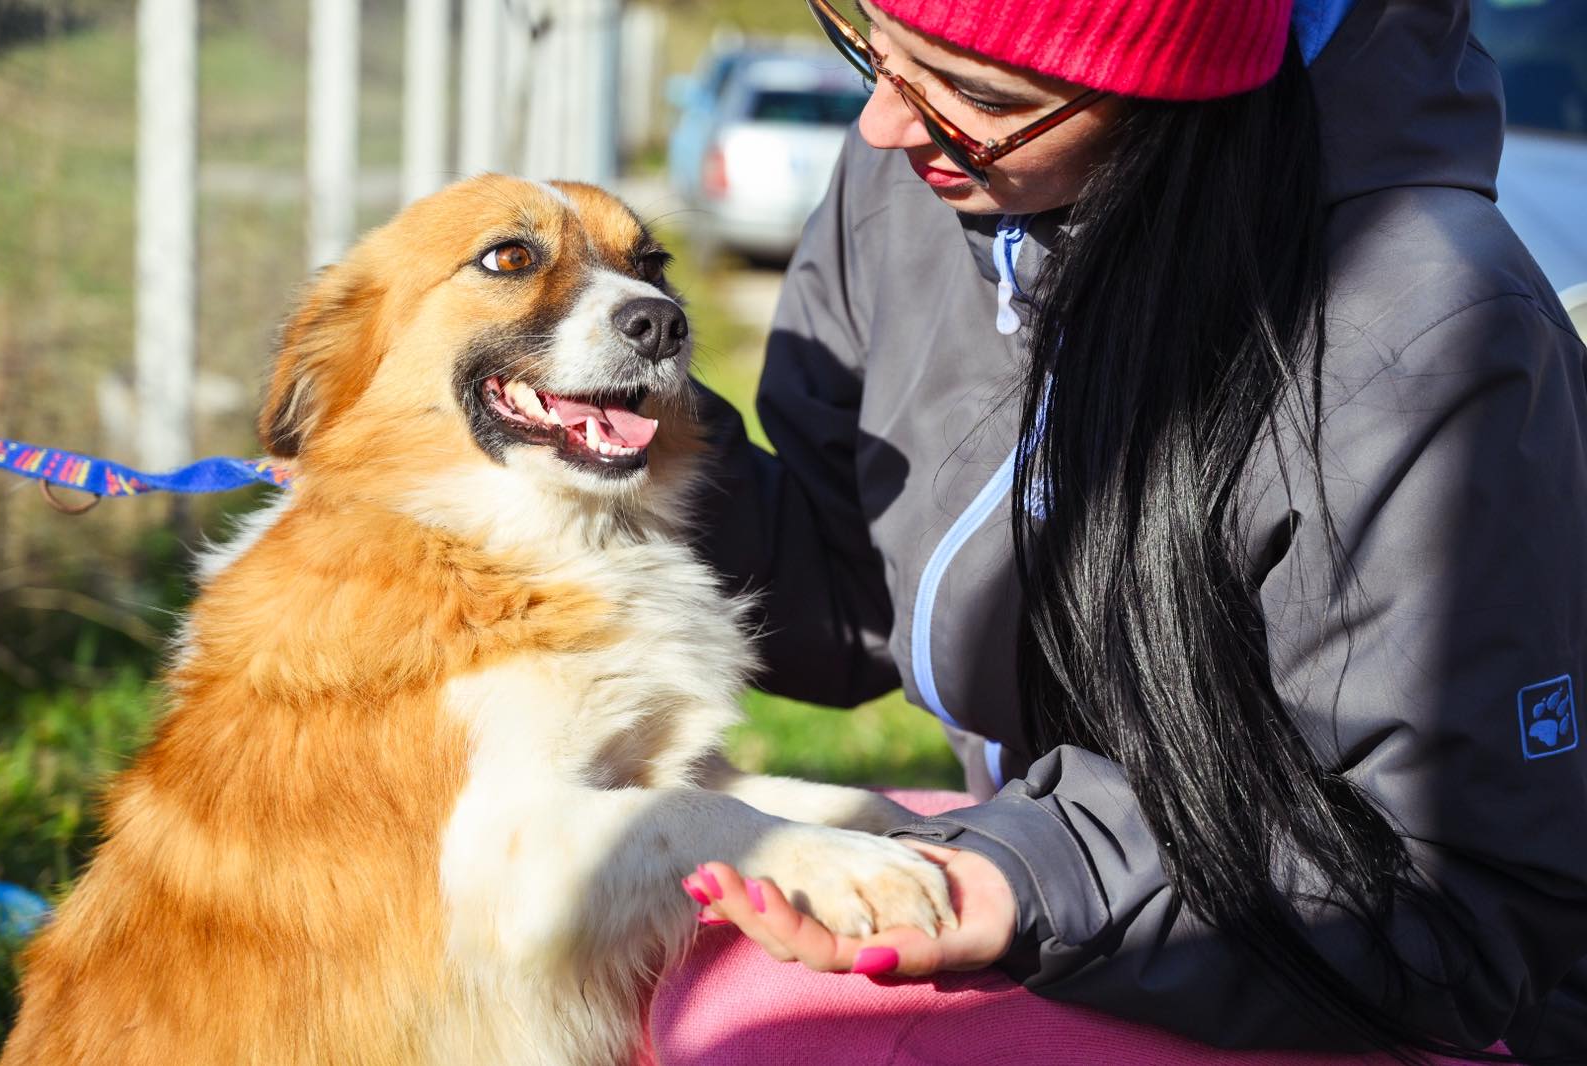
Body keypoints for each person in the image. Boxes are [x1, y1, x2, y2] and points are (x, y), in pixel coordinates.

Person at [667, 0, 1587, 1060]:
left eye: (978, 94)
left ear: (1167, 91)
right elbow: (856, 591)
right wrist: (624, 449)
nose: (883, 123)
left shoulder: (1418, 329)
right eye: (869, 42)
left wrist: (1031, 873)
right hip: (1070, 917)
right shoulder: (920, 170)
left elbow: (1459, 901)